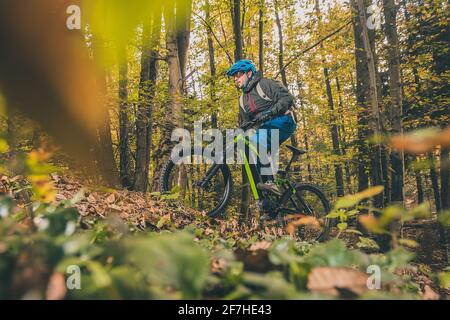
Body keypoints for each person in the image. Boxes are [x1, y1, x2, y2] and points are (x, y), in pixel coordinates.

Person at [226, 59, 297, 196]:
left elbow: (287, 98)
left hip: (284, 121)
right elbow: (246, 124)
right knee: (253, 158)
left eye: (238, 74)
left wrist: (269, 113)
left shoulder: (265, 84)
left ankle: (270, 181)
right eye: (234, 76)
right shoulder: (242, 100)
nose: (235, 78)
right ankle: (267, 203)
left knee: (259, 139)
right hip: (264, 129)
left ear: (249, 73)